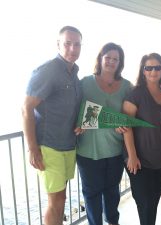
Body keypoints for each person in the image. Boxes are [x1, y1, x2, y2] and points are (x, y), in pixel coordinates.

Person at [22, 26, 83, 225]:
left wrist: (79, 123)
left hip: (67, 145)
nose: (72, 48)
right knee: (55, 201)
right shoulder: (48, 70)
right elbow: (26, 108)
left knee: (61, 199)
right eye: (67, 43)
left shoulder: (74, 73)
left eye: (77, 44)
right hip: (49, 147)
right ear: (58, 44)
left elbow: (70, 107)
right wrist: (32, 149)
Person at [76, 42, 132, 225]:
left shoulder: (127, 86)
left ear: (120, 63)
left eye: (116, 59)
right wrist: (78, 123)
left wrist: (123, 123)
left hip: (115, 151)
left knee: (112, 192)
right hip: (87, 151)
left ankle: (113, 222)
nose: (111, 61)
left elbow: (130, 115)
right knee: (91, 195)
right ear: (100, 58)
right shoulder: (84, 83)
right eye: (108, 57)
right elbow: (75, 109)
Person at [122, 53, 161, 225]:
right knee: (144, 204)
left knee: (153, 202)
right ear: (143, 71)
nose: (153, 71)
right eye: (148, 68)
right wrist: (132, 156)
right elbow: (126, 126)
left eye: (157, 67)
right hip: (139, 161)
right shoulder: (135, 94)